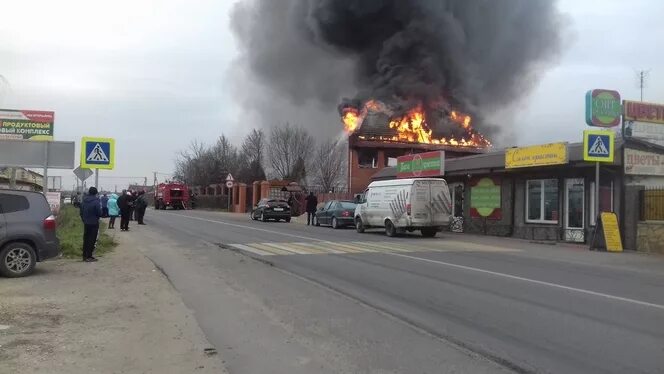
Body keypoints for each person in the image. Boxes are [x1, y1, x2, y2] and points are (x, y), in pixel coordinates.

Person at [79, 187, 102, 262]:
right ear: (96, 193)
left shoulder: (84, 200)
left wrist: (84, 219)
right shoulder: (96, 201)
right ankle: (89, 256)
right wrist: (98, 217)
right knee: (92, 239)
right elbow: (99, 212)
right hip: (94, 222)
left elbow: (81, 212)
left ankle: (84, 256)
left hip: (86, 222)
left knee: (86, 239)